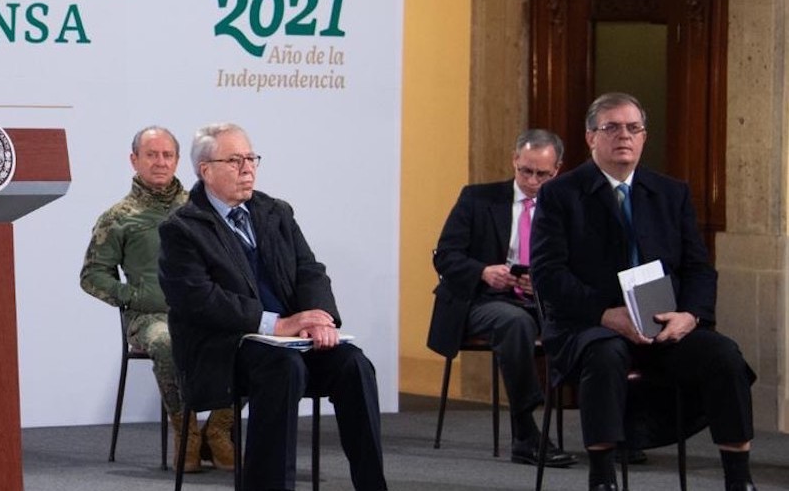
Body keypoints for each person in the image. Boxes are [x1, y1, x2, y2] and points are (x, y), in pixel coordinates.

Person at [532, 92, 757, 491]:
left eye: (633, 128)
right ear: (591, 137)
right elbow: (548, 275)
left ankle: (739, 479)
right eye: (612, 127)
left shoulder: (671, 192)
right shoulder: (560, 194)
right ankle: (603, 477)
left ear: (644, 137)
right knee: (605, 354)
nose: (624, 136)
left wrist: (690, 315)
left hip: (663, 322)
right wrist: (606, 314)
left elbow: (698, 268)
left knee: (724, 356)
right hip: (591, 323)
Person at [158, 123, 387, 491]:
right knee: (284, 367)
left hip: (289, 341)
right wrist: (276, 324)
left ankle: (372, 486)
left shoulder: (275, 212)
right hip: (224, 348)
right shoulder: (182, 228)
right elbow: (199, 300)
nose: (247, 168)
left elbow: (309, 270)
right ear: (206, 170)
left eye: (251, 158)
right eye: (234, 160)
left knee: (354, 364)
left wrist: (319, 318)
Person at [80, 125, 235, 473]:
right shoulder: (118, 217)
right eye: (151, 155)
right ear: (134, 160)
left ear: (178, 160)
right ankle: (188, 435)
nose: (160, 162)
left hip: (202, 311)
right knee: (168, 341)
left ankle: (219, 430)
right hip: (149, 318)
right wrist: (134, 295)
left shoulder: (201, 209)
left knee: (245, 337)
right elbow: (92, 276)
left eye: (167, 155)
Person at [427, 129, 576, 468]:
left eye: (543, 174)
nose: (532, 180)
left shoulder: (564, 207)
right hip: (481, 300)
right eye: (525, 170)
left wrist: (542, 278)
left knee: (595, 324)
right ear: (514, 160)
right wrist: (483, 271)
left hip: (541, 301)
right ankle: (525, 432)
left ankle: (615, 432)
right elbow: (446, 255)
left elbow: (578, 265)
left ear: (558, 170)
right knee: (515, 324)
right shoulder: (478, 198)